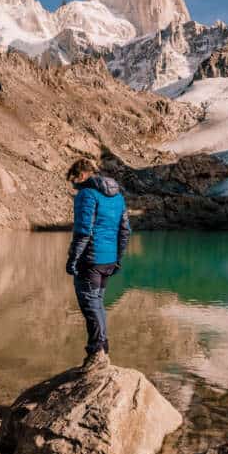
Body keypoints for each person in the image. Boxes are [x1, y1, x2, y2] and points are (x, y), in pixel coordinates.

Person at [64, 158, 131, 372]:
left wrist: (73, 259)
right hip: (107, 261)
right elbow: (125, 230)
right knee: (98, 303)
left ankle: (96, 352)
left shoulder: (87, 195)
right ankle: (102, 349)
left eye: (73, 180)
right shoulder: (118, 197)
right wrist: (118, 258)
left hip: (90, 260)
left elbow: (83, 231)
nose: (73, 186)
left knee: (90, 305)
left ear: (82, 175)